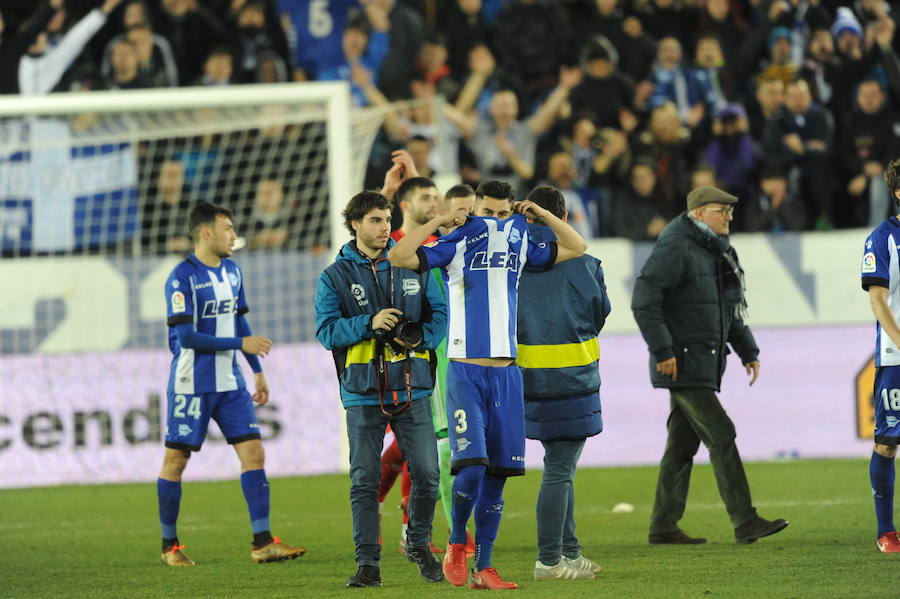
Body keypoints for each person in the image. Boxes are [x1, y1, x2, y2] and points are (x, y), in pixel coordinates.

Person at [388, 179, 588, 590]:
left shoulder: (520, 243)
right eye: (487, 212)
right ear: (475, 209)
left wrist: (542, 215)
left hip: (507, 375)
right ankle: (458, 540)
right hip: (465, 372)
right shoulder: (457, 242)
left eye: (502, 213)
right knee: (472, 467)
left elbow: (576, 247)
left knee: (498, 474)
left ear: (512, 210)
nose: (495, 221)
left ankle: (486, 566)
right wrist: (442, 220)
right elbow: (399, 254)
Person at [631, 186, 789, 546]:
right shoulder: (676, 247)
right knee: (721, 433)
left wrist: (747, 350)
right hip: (682, 362)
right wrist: (663, 350)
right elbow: (644, 301)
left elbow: (727, 309)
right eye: (723, 211)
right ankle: (745, 520)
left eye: (731, 211)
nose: (730, 217)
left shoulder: (714, 250)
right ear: (699, 213)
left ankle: (663, 526)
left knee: (681, 447)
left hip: (701, 359)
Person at [158, 202, 305, 566]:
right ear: (207, 232)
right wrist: (242, 346)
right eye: (228, 228)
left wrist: (256, 369)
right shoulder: (181, 277)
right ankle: (170, 546)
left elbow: (241, 324)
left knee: (254, 453)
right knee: (176, 459)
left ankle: (262, 542)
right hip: (192, 382)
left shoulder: (233, 272)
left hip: (231, 381)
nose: (234, 235)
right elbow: (187, 337)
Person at [315, 190, 446, 587]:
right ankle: (368, 564)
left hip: (413, 386)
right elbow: (326, 332)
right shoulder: (334, 276)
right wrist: (368, 324)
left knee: (428, 475)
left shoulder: (414, 261)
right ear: (354, 223)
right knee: (364, 481)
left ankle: (419, 544)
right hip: (363, 392)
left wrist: (419, 338)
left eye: (387, 219)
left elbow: (439, 315)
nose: (384, 226)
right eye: (374, 219)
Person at [516, 185, 609, 581]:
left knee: (559, 465)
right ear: (564, 218)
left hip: (526, 381)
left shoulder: (511, 262)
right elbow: (599, 312)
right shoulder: (586, 263)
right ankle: (549, 560)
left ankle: (569, 552)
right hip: (574, 378)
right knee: (559, 469)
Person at [861, 158, 900, 553]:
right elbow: (877, 299)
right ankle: (886, 532)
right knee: (889, 441)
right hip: (897, 358)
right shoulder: (882, 238)